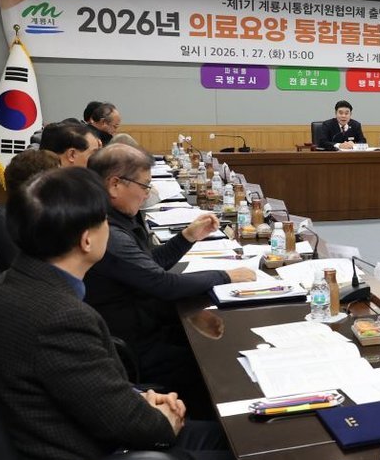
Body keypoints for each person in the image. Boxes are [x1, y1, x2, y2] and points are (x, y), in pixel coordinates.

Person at [0, 167, 287, 460]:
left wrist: (142, 396)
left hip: (80, 444)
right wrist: (158, 417)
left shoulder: (18, 283)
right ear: (87, 240)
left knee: (241, 439)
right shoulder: (58, 317)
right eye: (103, 220)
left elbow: (84, 388)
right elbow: (138, 428)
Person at [84, 144, 255, 415]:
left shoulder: (115, 219)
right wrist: (226, 276)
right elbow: (162, 283)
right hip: (135, 348)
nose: (147, 194)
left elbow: (148, 264)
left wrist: (187, 237)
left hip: (142, 328)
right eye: (144, 185)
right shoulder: (109, 233)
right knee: (219, 361)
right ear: (115, 185)